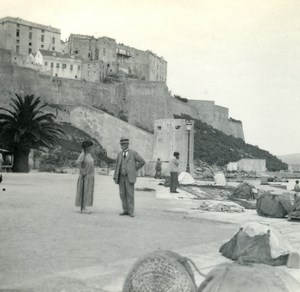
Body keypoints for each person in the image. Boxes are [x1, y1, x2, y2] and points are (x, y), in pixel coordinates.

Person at [113, 137, 145, 217]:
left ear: (128, 144)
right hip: (121, 177)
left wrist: (134, 169)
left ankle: (131, 211)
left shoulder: (133, 153)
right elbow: (117, 165)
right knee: (122, 194)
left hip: (129, 177)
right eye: (121, 144)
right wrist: (115, 176)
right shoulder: (119, 154)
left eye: (124, 144)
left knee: (130, 194)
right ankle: (125, 210)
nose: (122, 146)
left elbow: (142, 162)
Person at [75, 140, 95, 214]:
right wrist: (82, 171)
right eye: (90, 147)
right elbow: (77, 163)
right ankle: (83, 208)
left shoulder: (88, 154)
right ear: (86, 147)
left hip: (90, 176)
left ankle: (84, 207)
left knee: (87, 191)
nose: (91, 148)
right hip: (85, 176)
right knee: (84, 191)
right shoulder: (83, 154)